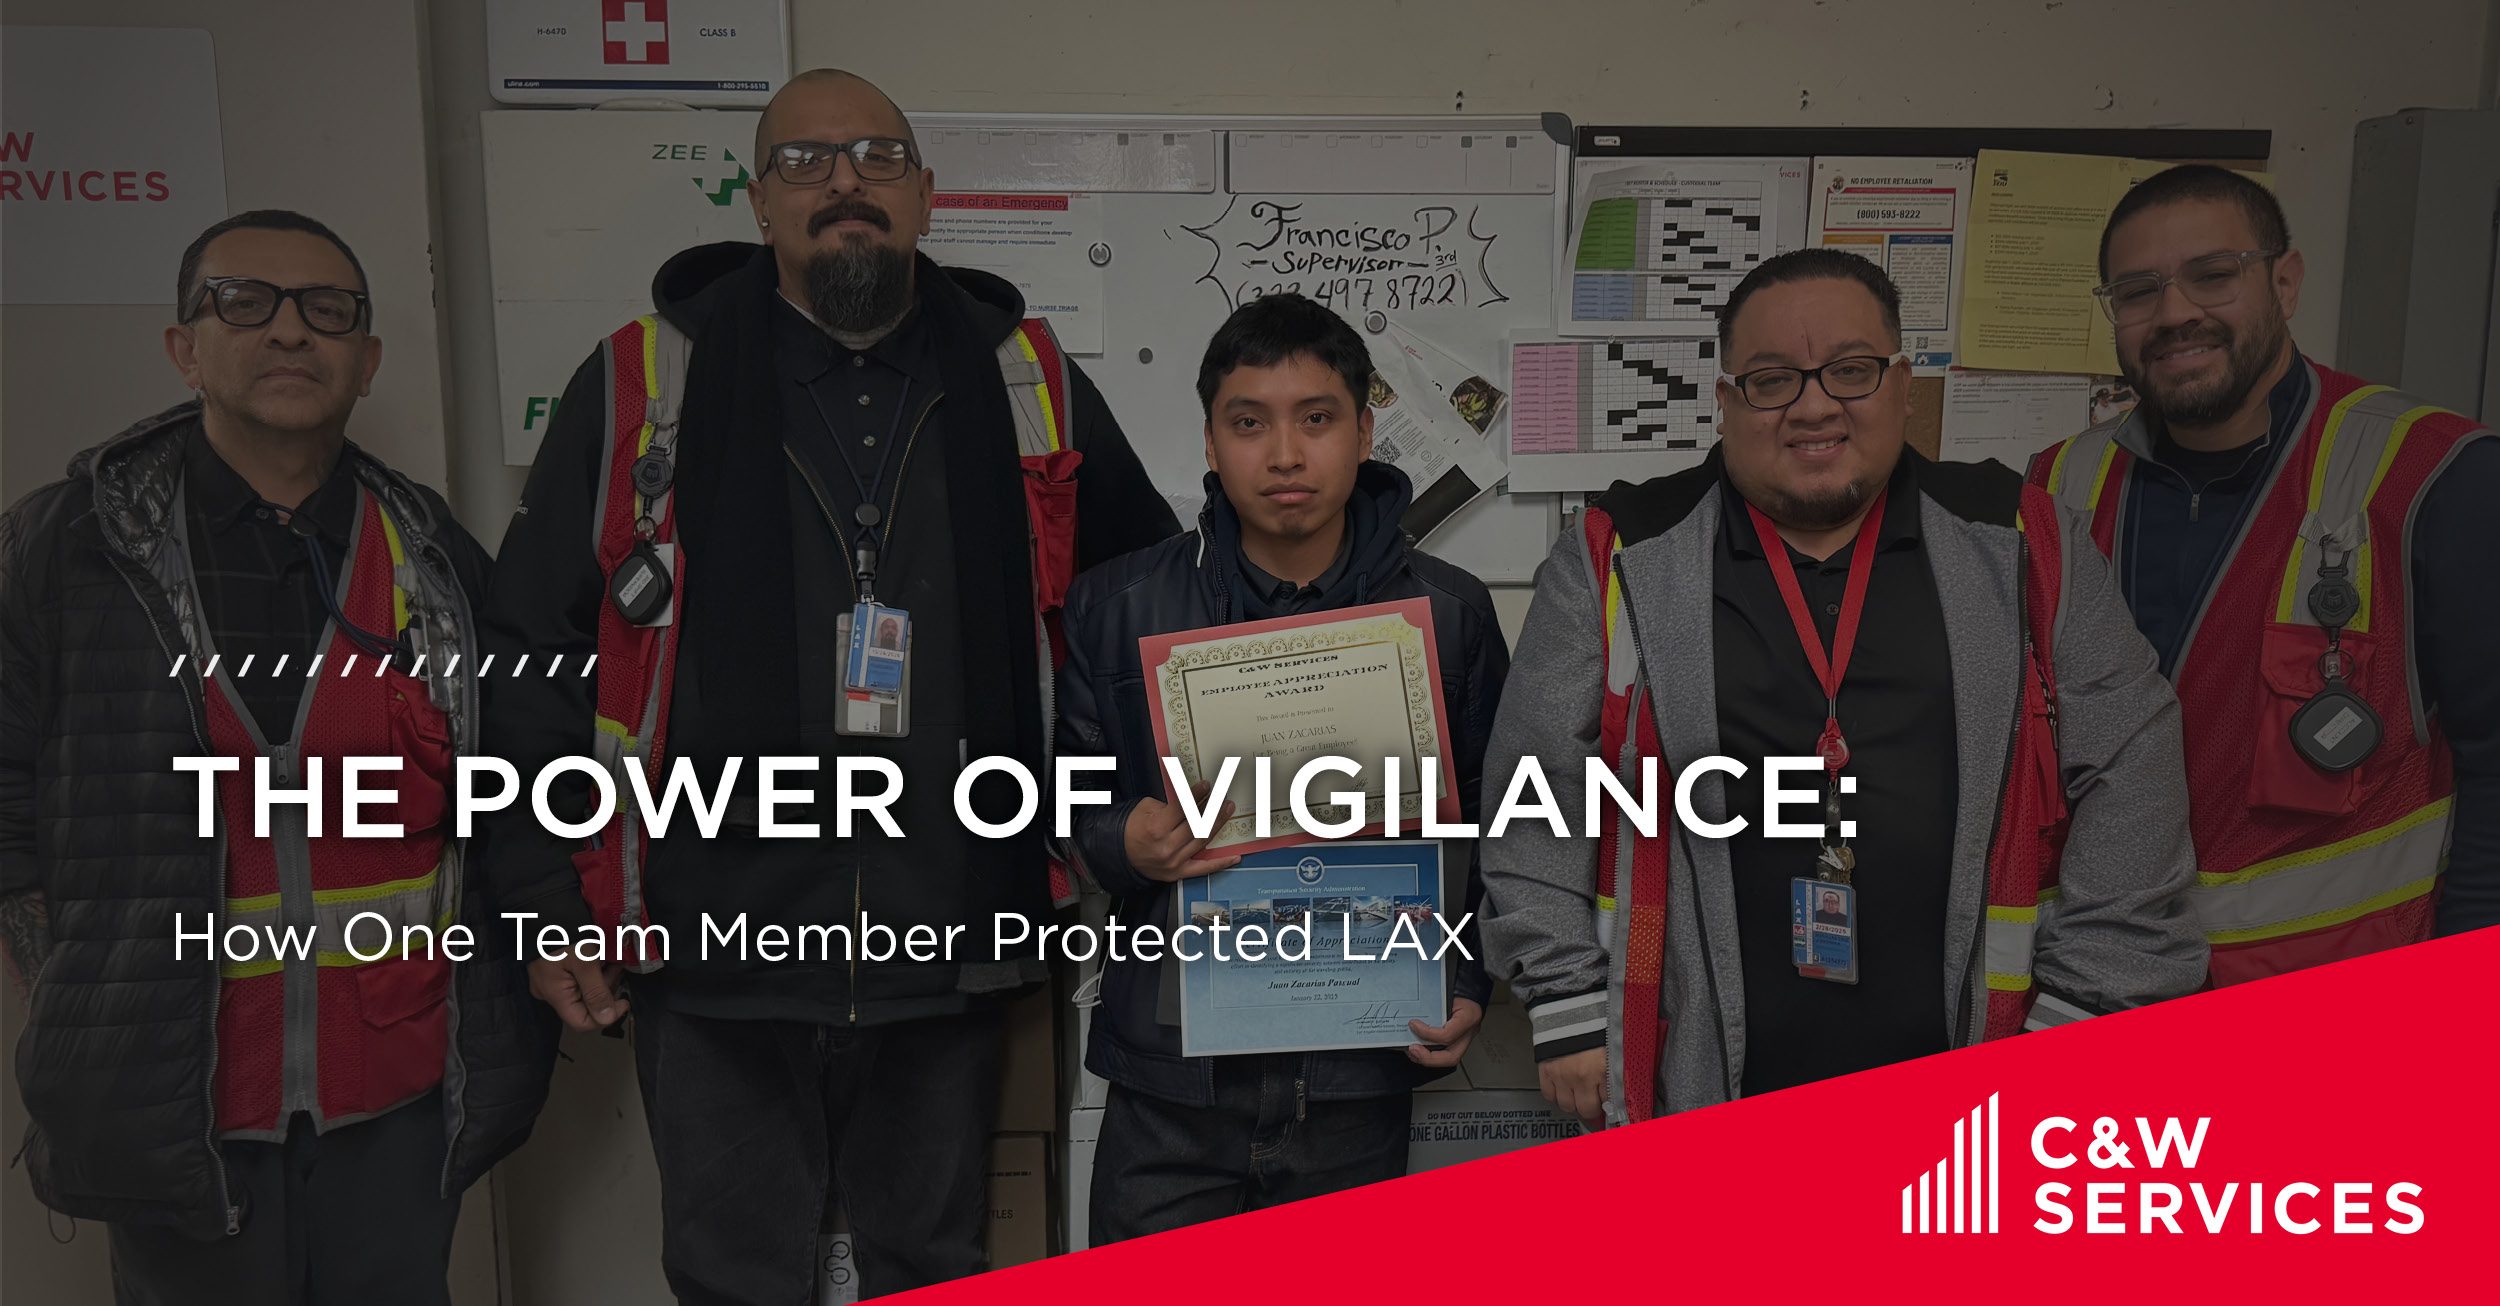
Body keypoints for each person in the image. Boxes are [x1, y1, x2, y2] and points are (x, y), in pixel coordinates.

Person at [481, 70, 1179, 1300]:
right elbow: (532, 654)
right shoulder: (648, 378)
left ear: (923, 194)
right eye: (806, 162)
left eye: (875, 155)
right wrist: (543, 895)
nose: (843, 182)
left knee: (936, 1265)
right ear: (758, 205)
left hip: (954, 921)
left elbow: (1144, 622)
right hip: (713, 937)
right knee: (731, 1273)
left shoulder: (1029, 378)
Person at [1482, 249, 2207, 1129]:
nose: (1815, 405)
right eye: (1772, 379)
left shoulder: (2022, 541)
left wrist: (2088, 1009)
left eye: (1852, 372)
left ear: (1903, 385)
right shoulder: (1620, 552)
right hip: (1696, 1079)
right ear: (1725, 402)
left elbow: (2133, 773)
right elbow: (1535, 789)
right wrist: (1563, 1003)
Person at [0, 211, 550, 1305]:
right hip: (176, 1101)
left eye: (327, 311)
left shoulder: (432, 555)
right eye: (245, 303)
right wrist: (67, 977)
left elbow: (516, 784)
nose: (291, 331)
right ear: (184, 346)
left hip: (398, 1096)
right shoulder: (67, 549)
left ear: (366, 359)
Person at [1056, 293, 1508, 1238]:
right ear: (1212, 443)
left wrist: (1469, 981)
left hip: (1359, 1082)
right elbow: (1055, 806)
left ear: (1365, 432)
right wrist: (1122, 839)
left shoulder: (1452, 615)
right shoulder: (1117, 605)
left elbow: (1502, 828)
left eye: (1317, 419)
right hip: (1170, 1084)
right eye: (1250, 423)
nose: (1287, 454)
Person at [2029, 165, 2499, 982]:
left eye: (2214, 276)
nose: (2176, 314)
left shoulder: (2434, 477)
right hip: (2104, 996)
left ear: (2285, 281)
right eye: (2138, 292)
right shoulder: (2056, 487)